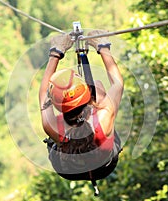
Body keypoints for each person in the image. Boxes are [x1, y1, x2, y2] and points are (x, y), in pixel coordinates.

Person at [39, 30, 123, 184]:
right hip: (104, 165)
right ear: (86, 95)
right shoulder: (103, 116)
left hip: (70, 170)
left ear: (57, 105)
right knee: (98, 86)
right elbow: (118, 84)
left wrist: (56, 52)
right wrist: (102, 45)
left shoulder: (51, 126)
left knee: (97, 90)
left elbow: (43, 93)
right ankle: (92, 95)